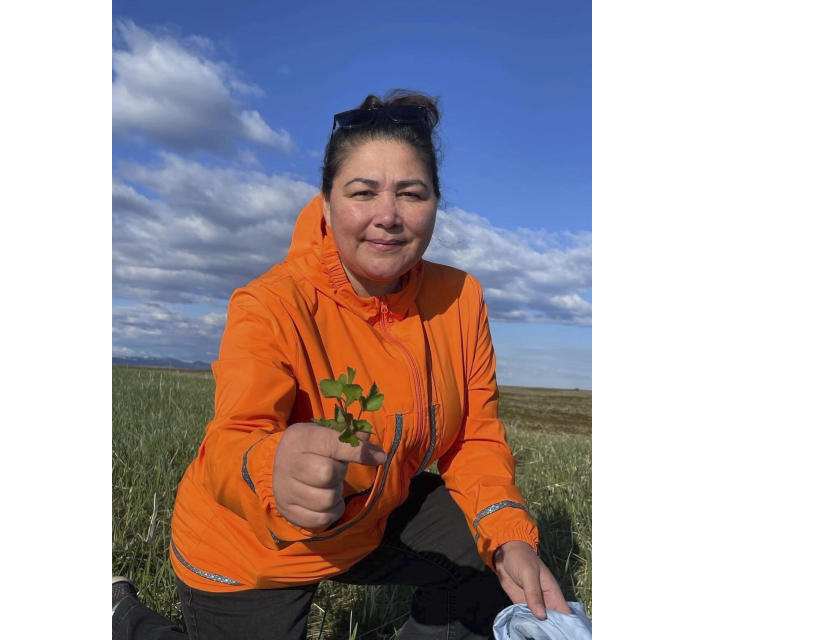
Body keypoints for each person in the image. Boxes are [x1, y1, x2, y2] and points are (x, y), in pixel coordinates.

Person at [113, 89, 570, 640]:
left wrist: (508, 537)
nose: (388, 215)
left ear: (435, 203)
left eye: (411, 192)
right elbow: (236, 435)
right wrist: (274, 473)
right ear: (327, 204)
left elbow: (474, 440)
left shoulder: (460, 297)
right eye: (363, 192)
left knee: (491, 557)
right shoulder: (271, 304)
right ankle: (122, 617)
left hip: (373, 516)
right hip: (252, 547)